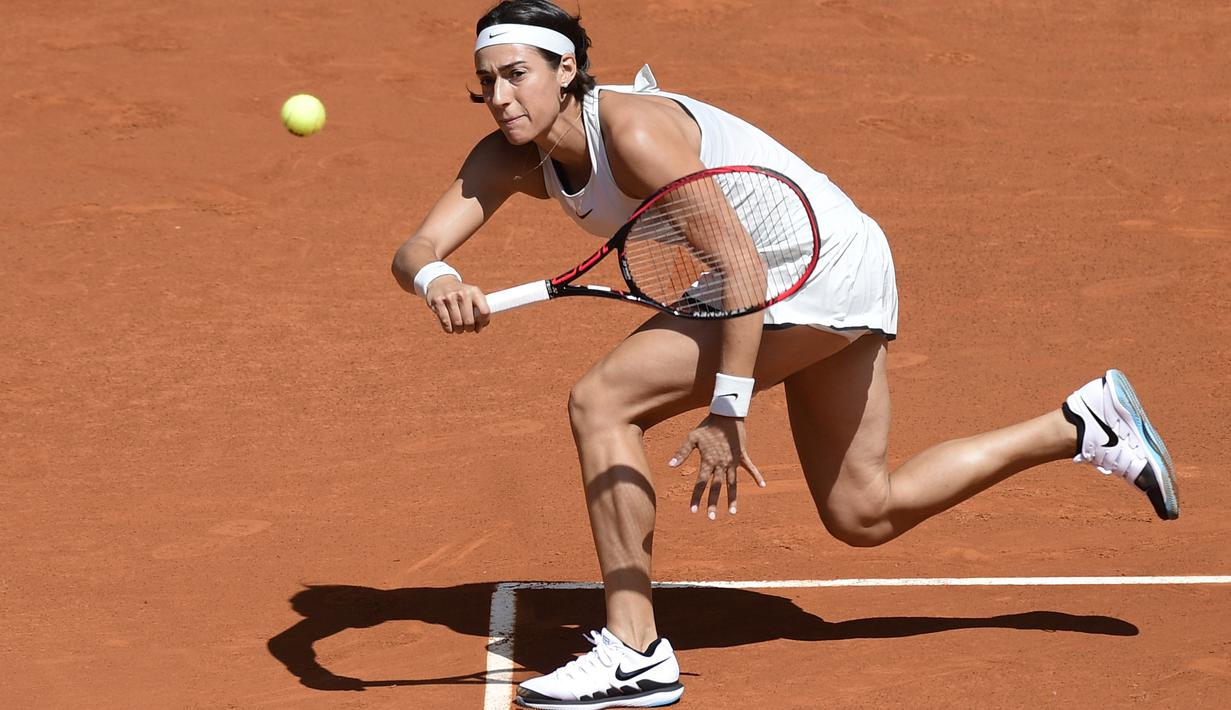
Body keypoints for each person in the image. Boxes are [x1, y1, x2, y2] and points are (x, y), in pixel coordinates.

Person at [390, 2, 1179, 707]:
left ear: (566, 70)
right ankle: (1081, 424)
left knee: (601, 402)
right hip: (803, 263)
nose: (500, 96)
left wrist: (727, 408)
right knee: (863, 512)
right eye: (487, 80)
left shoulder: (632, 131)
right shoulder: (509, 153)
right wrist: (438, 278)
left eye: (517, 74)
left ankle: (633, 651)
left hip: (808, 266)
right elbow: (415, 249)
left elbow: (742, 267)